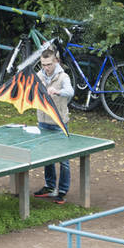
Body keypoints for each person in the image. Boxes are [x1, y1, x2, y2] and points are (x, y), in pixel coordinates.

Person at [32, 49, 74, 204]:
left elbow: (70, 91)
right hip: (43, 123)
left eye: (49, 64)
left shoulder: (63, 77)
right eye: (43, 65)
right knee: (47, 157)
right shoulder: (39, 75)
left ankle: (62, 191)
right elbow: (29, 90)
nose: (46, 68)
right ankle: (50, 187)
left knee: (64, 160)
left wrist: (57, 91)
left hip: (59, 124)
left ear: (55, 61)